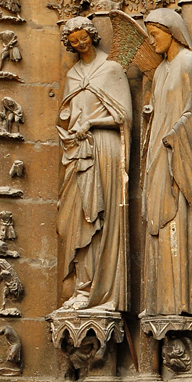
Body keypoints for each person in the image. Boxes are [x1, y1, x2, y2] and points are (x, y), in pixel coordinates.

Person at [56, 16, 132, 312]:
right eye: (73, 41)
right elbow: (66, 112)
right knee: (77, 220)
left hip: (104, 149)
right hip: (78, 151)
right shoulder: (73, 74)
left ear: (92, 35)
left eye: (83, 37)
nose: (80, 43)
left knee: (98, 218)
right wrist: (70, 126)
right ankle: (80, 287)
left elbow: (124, 118)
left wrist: (90, 122)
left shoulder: (111, 68)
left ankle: (99, 290)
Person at [141, 9, 192, 319]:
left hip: (177, 152)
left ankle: (180, 300)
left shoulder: (188, 64)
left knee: (177, 219)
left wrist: (174, 135)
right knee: (158, 223)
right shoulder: (159, 71)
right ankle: (159, 300)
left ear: (172, 32)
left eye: (155, 34)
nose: (151, 41)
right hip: (158, 150)